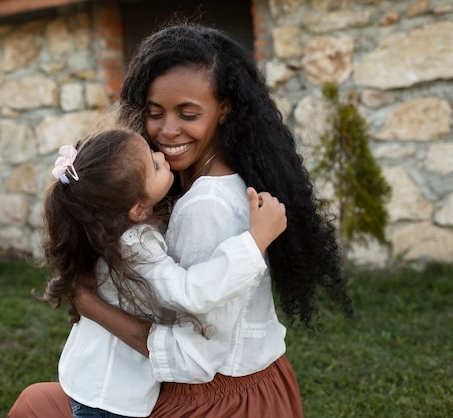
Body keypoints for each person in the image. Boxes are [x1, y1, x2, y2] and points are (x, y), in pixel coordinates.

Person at [9, 22, 353, 417]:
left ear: (225, 107)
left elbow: (196, 356)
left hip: (217, 401)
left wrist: (89, 302)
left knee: (36, 407)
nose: (167, 133)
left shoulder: (205, 205)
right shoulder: (182, 184)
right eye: (155, 113)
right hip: (246, 386)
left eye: (188, 113)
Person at [19, 127, 287, 418]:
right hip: (110, 400)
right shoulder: (134, 247)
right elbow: (190, 292)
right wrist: (254, 242)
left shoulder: (110, 230)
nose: (162, 154)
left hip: (92, 381)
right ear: (136, 208)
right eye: (155, 164)